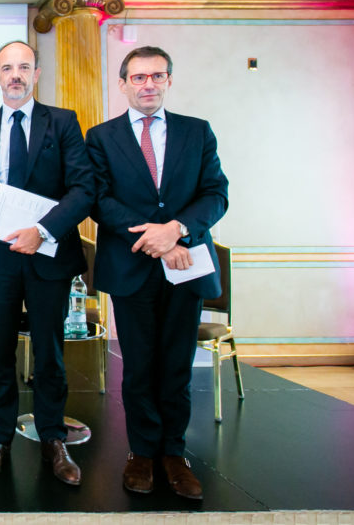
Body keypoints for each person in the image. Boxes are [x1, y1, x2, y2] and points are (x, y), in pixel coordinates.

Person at [85, 46, 228, 500]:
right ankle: (142, 452)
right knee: (139, 365)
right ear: (123, 84)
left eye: (157, 76)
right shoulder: (101, 137)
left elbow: (216, 194)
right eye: (139, 77)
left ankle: (174, 454)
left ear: (168, 80)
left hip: (186, 263)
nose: (148, 84)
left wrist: (177, 230)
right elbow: (99, 200)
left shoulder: (197, 131)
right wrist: (155, 238)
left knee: (177, 365)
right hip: (131, 264)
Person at [0, 40, 94, 483]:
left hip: (47, 252)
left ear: (36, 74)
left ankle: (53, 439)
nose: (15, 75)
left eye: (24, 67)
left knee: (49, 354)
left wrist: (41, 230)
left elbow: (83, 188)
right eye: (7, 68)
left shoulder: (63, 122)